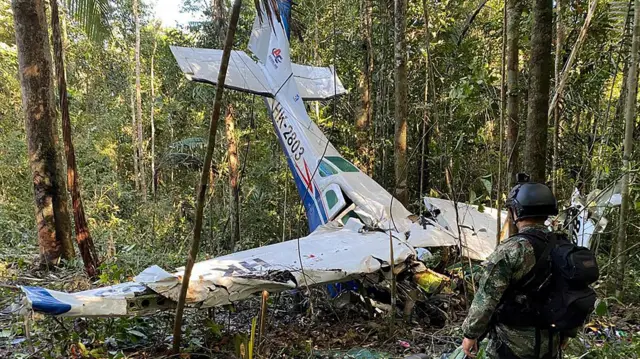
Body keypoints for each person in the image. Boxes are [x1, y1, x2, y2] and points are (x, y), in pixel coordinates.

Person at [460, 176, 573, 359]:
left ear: (516, 211)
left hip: (511, 345)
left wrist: (470, 334)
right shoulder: (563, 246)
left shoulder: (513, 249)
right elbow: (575, 292)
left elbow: (486, 297)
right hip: (551, 342)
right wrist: (568, 332)